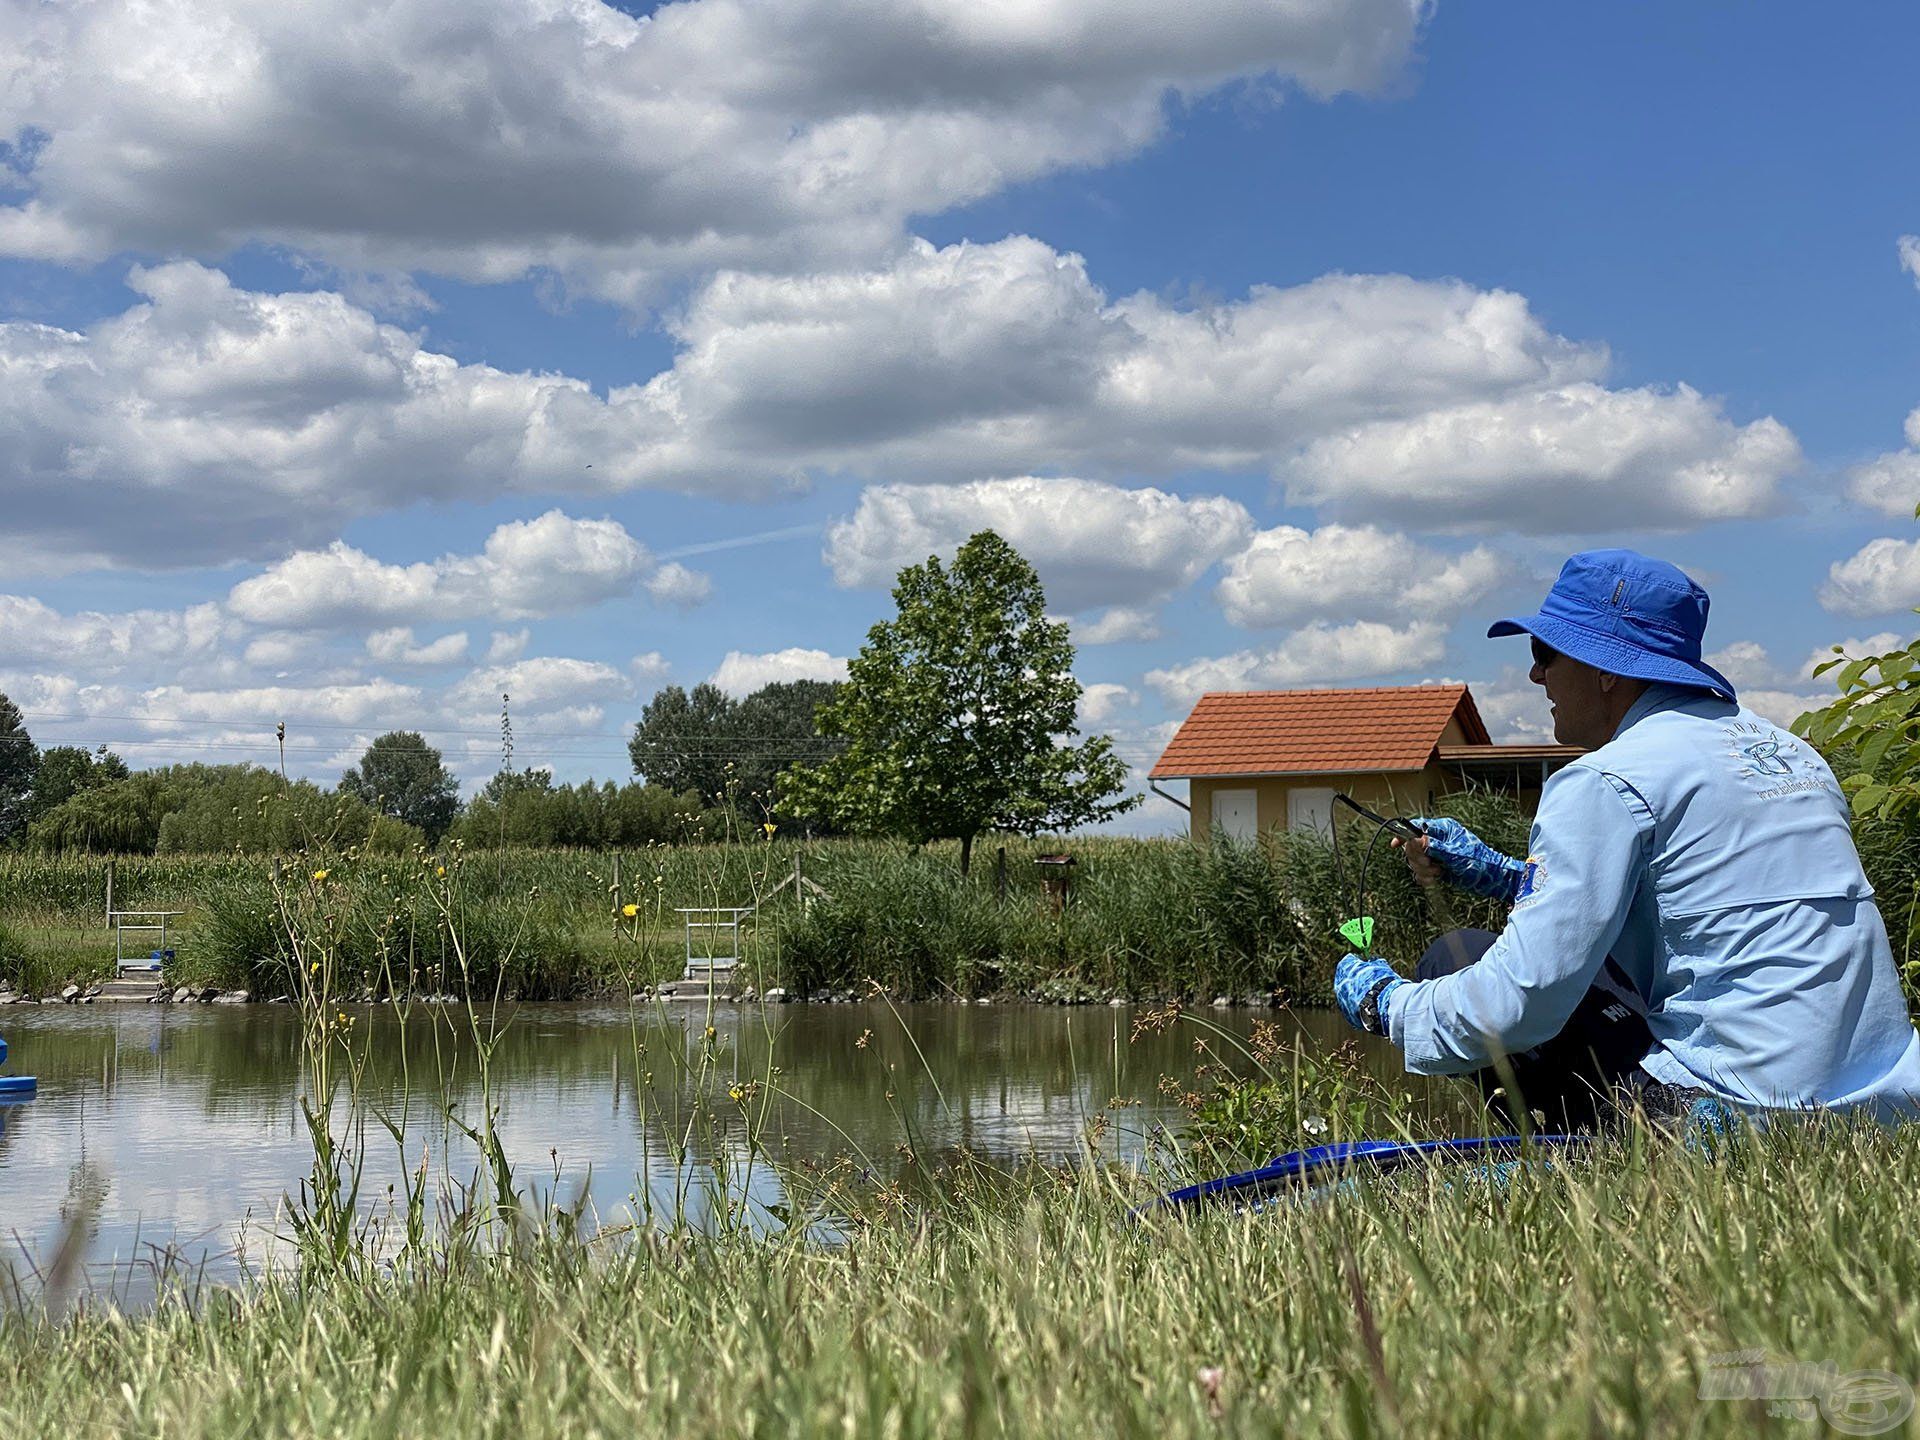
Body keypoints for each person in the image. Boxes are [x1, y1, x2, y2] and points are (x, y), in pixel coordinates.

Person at [1333, 548, 1920, 1127]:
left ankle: (1580, 1165)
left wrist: (1388, 1006)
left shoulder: (1605, 780)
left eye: (1545, 652)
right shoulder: (1793, 756)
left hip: (1734, 1117)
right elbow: (1704, 910)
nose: (1535, 674)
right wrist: (1504, 875)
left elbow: (1523, 1000)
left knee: (1455, 954)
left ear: (1607, 667)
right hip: (1882, 1104)